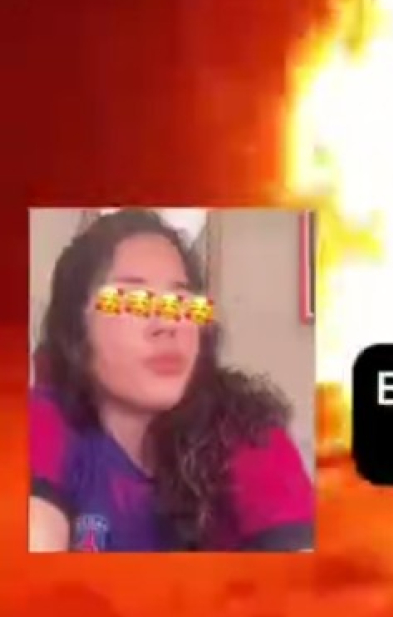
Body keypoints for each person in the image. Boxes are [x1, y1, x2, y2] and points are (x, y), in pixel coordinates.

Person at [29, 208, 315, 553]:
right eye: (133, 301)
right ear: (76, 326)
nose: (169, 324)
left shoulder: (249, 434)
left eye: (182, 302)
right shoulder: (42, 421)